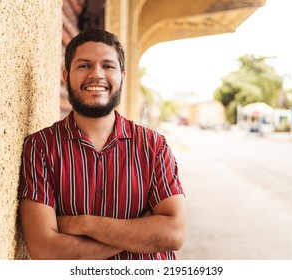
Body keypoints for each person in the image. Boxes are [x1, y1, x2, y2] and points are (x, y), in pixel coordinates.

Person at [18, 28, 186, 260]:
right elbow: (45, 250)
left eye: (107, 66)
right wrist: (139, 232)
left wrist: (84, 223)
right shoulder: (41, 147)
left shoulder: (153, 146)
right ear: (65, 76)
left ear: (122, 77)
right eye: (84, 65)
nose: (97, 74)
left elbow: (173, 235)